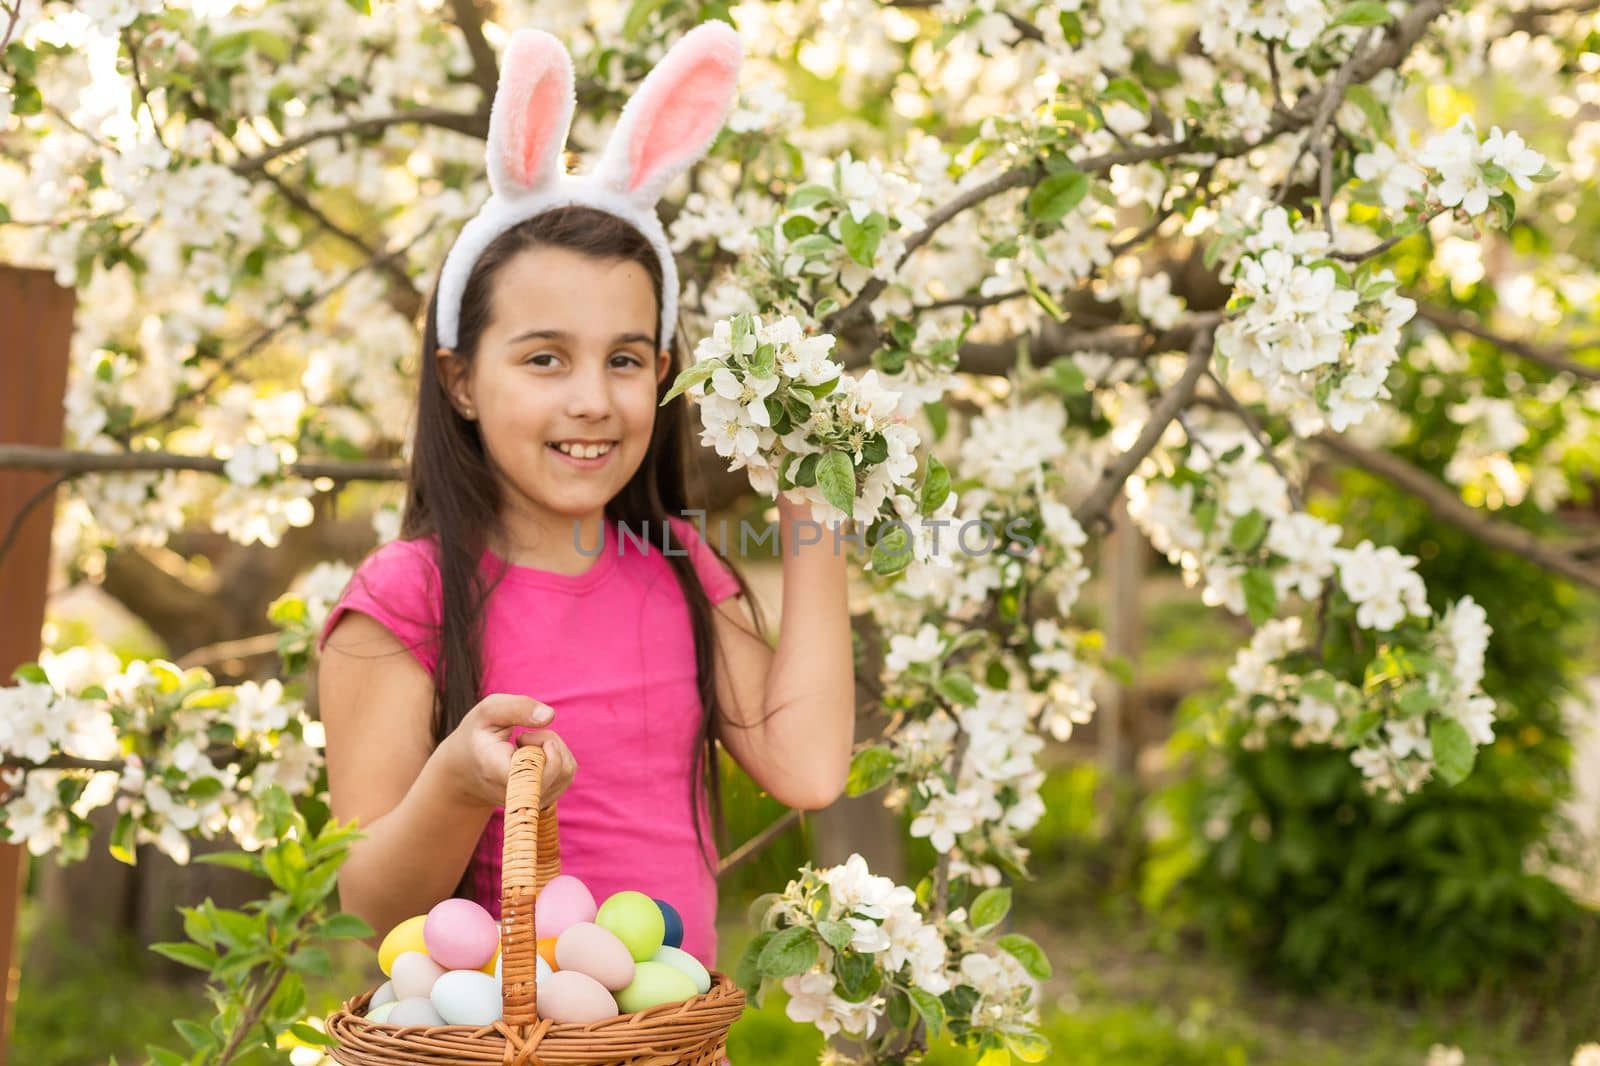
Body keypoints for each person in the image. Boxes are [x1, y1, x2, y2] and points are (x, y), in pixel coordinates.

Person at [314, 21, 855, 975]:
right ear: (461, 381)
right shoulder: (408, 597)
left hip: (668, 1042)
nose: (594, 400)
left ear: (666, 372)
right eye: (544, 358)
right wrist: (460, 785)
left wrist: (815, 518)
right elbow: (368, 906)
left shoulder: (680, 572)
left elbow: (807, 768)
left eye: (626, 360)